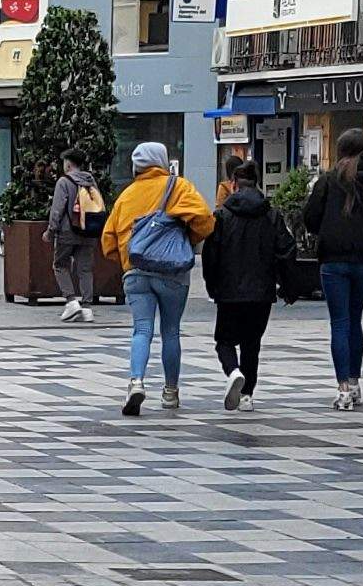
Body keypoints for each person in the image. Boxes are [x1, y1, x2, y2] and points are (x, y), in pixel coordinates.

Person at [99, 142, 215, 415]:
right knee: (170, 331)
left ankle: (136, 381)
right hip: (173, 273)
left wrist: (128, 261)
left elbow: (108, 242)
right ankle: (171, 392)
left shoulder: (126, 195)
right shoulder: (179, 188)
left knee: (141, 329)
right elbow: (206, 221)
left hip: (136, 272)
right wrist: (187, 240)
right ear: (162, 161)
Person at [298, 131, 363, 411]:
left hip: (334, 259)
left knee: (339, 322)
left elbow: (310, 218)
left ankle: (343, 389)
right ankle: (355, 380)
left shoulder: (328, 179)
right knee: (355, 320)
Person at [199, 154, 291, 410]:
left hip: (229, 291)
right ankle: (248, 395)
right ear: (257, 183)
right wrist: (287, 285)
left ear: (234, 184)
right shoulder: (271, 215)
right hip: (261, 292)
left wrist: (212, 285)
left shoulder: (222, 216)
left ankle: (233, 372)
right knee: (252, 343)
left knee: (225, 341)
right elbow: (286, 250)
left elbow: (211, 255)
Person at [46, 153, 105, 325]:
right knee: (85, 269)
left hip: (67, 232)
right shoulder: (90, 181)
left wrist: (50, 231)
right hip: (88, 232)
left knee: (60, 265)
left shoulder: (64, 182)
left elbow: (57, 210)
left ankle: (71, 302)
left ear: (68, 164)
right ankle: (87, 308)